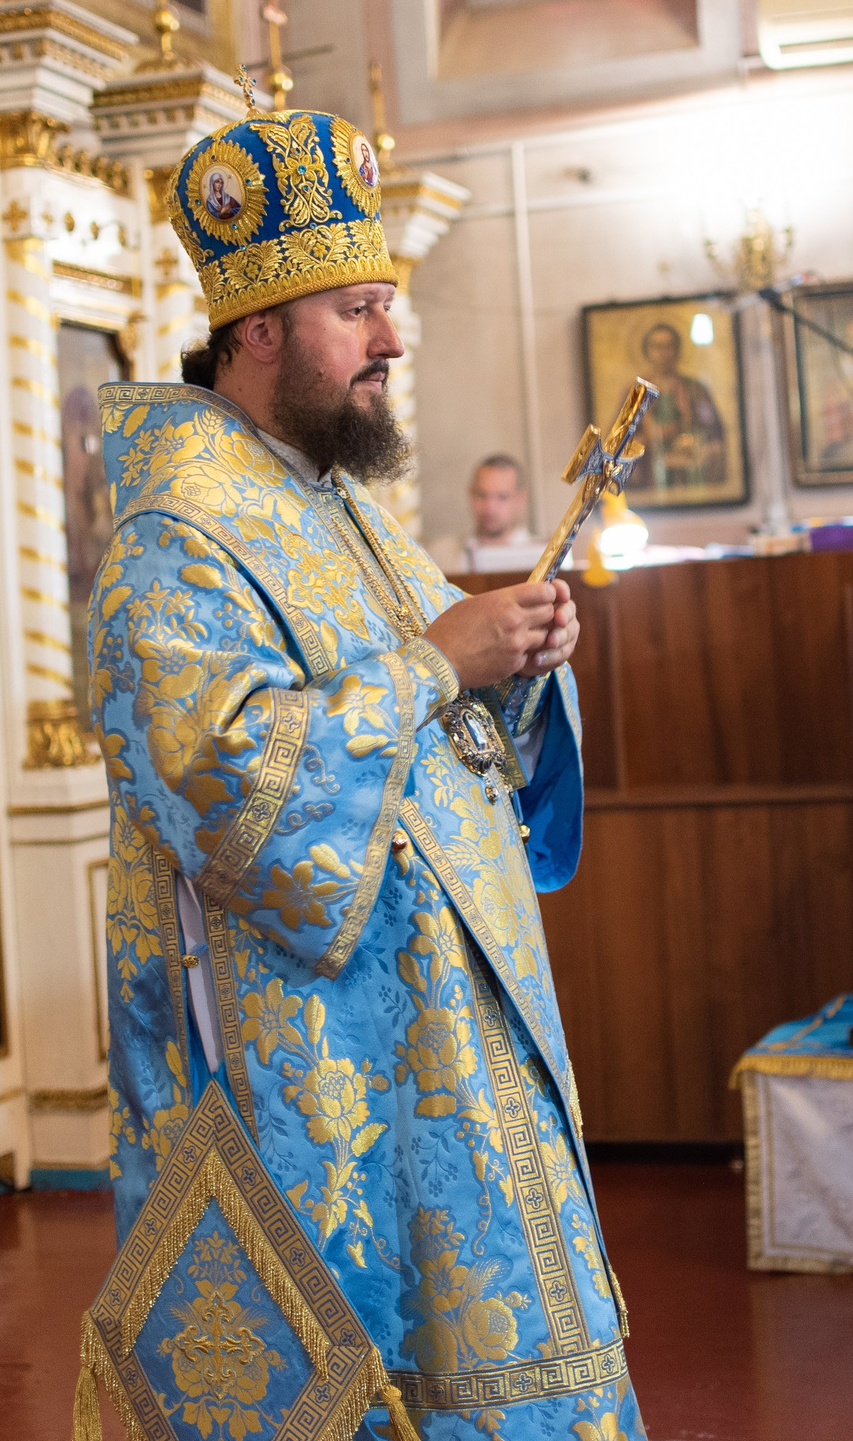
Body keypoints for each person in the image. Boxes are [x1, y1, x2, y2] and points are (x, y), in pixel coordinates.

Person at [77, 99, 641, 1440]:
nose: (392, 339)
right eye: (359, 311)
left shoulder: (339, 511)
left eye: (388, 306)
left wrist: (524, 663)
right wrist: (438, 661)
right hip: (325, 1078)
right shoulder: (177, 536)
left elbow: (459, 746)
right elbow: (226, 794)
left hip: (445, 1043)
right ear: (259, 329)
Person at [637, 321, 728, 491]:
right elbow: (619, 442)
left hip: (691, 476)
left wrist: (704, 448)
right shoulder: (636, 393)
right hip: (651, 478)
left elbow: (715, 434)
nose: (663, 354)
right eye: (657, 347)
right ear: (647, 351)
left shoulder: (695, 389)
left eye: (668, 346)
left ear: (677, 349)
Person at [429, 453, 536, 575]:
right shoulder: (440, 557)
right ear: (471, 493)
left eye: (502, 497)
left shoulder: (539, 558)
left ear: (521, 499)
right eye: (482, 495)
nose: (490, 507)